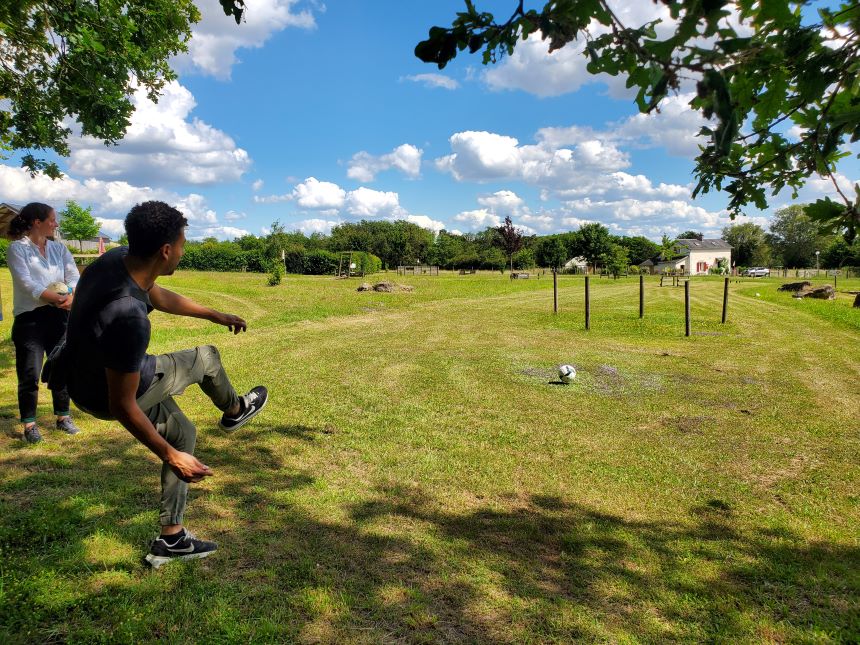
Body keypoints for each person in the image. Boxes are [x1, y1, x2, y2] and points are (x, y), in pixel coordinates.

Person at [65, 201, 268, 568]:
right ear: (166, 250)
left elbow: (154, 293)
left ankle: (171, 538)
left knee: (183, 433)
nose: (183, 251)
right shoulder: (128, 317)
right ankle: (236, 409)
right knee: (205, 358)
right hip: (108, 394)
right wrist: (169, 457)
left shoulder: (116, 262)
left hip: (81, 382)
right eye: (183, 244)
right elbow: (121, 406)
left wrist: (213, 313)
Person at [7, 202, 81, 443]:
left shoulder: (59, 249)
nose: (56, 223)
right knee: (29, 372)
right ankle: (29, 424)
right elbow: (27, 284)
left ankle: (63, 417)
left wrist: (70, 295)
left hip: (59, 317)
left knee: (62, 367)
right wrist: (59, 299)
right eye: (52, 219)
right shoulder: (17, 249)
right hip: (30, 320)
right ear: (37, 222)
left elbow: (74, 277)